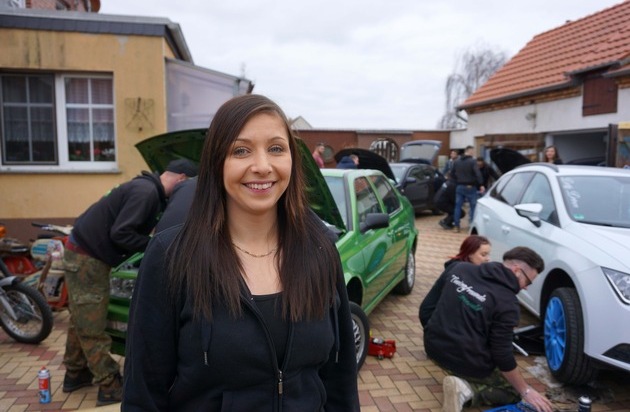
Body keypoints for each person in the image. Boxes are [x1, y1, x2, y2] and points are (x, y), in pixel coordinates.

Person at [122, 94, 360, 411]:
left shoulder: (320, 249)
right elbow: (143, 394)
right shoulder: (171, 257)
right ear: (216, 163)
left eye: (276, 148)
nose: (262, 166)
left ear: (292, 159)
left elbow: (340, 380)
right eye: (241, 151)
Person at [61, 158, 198, 406]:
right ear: (181, 179)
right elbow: (121, 233)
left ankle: (75, 372)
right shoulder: (146, 192)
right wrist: (156, 245)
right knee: (91, 323)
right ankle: (109, 384)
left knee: (82, 316)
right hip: (87, 259)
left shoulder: (145, 188)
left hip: (84, 254)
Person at [421, 247, 554, 412]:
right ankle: (466, 390)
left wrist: (435, 337)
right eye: (528, 282)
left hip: (433, 348)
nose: (526, 288)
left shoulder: (459, 268)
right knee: (514, 393)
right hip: (465, 361)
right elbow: (502, 354)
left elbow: (426, 309)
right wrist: (525, 390)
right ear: (517, 271)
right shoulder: (508, 304)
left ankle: (457, 372)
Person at [419, 235, 491, 327]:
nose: (487, 258)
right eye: (483, 255)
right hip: (433, 319)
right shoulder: (458, 270)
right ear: (470, 254)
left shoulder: (465, 269)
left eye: (488, 254)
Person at [451, 145, 484, 233]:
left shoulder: (456, 161)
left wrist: (458, 180)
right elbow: (477, 173)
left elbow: (452, 174)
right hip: (470, 187)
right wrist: (481, 184)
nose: (473, 153)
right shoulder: (472, 161)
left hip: (459, 186)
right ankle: (471, 225)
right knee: (473, 207)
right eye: (473, 151)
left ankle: (456, 226)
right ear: (469, 151)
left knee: (458, 206)